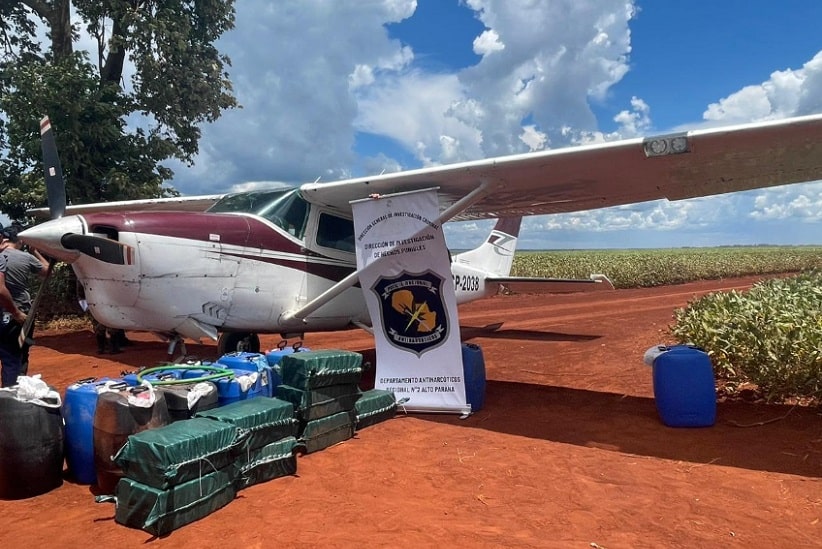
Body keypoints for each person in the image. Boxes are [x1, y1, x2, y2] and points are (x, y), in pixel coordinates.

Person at [0, 225, 51, 386]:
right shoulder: (25, 257)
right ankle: (13, 395)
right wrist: (34, 251)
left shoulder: (2, 256)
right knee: (16, 356)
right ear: (21, 240)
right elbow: (48, 271)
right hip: (18, 313)